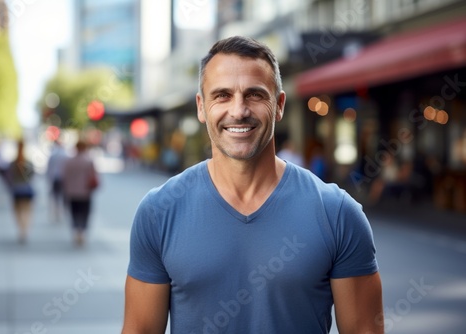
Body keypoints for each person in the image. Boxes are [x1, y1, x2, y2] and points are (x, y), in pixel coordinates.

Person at [122, 36, 383, 334]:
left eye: (255, 95)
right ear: (201, 107)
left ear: (280, 104)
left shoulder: (337, 213)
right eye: (222, 95)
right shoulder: (158, 211)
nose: (239, 110)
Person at [62, 140, 99, 247]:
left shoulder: (69, 161)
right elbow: (94, 176)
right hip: (85, 192)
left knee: (74, 212)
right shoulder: (88, 161)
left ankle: (76, 230)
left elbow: (65, 177)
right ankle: (82, 230)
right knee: (85, 212)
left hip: (72, 192)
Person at [6, 140, 35, 244]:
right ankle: (25, 229)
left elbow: (8, 177)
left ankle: (21, 229)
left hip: (16, 189)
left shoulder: (13, 163)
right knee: (27, 211)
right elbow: (32, 175)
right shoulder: (28, 163)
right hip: (26, 189)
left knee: (18, 211)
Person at [46, 140, 68, 222]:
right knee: (63, 196)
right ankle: (62, 211)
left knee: (56, 196)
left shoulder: (53, 155)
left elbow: (49, 169)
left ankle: (57, 211)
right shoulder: (65, 154)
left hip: (55, 178)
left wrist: (49, 179)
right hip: (63, 178)